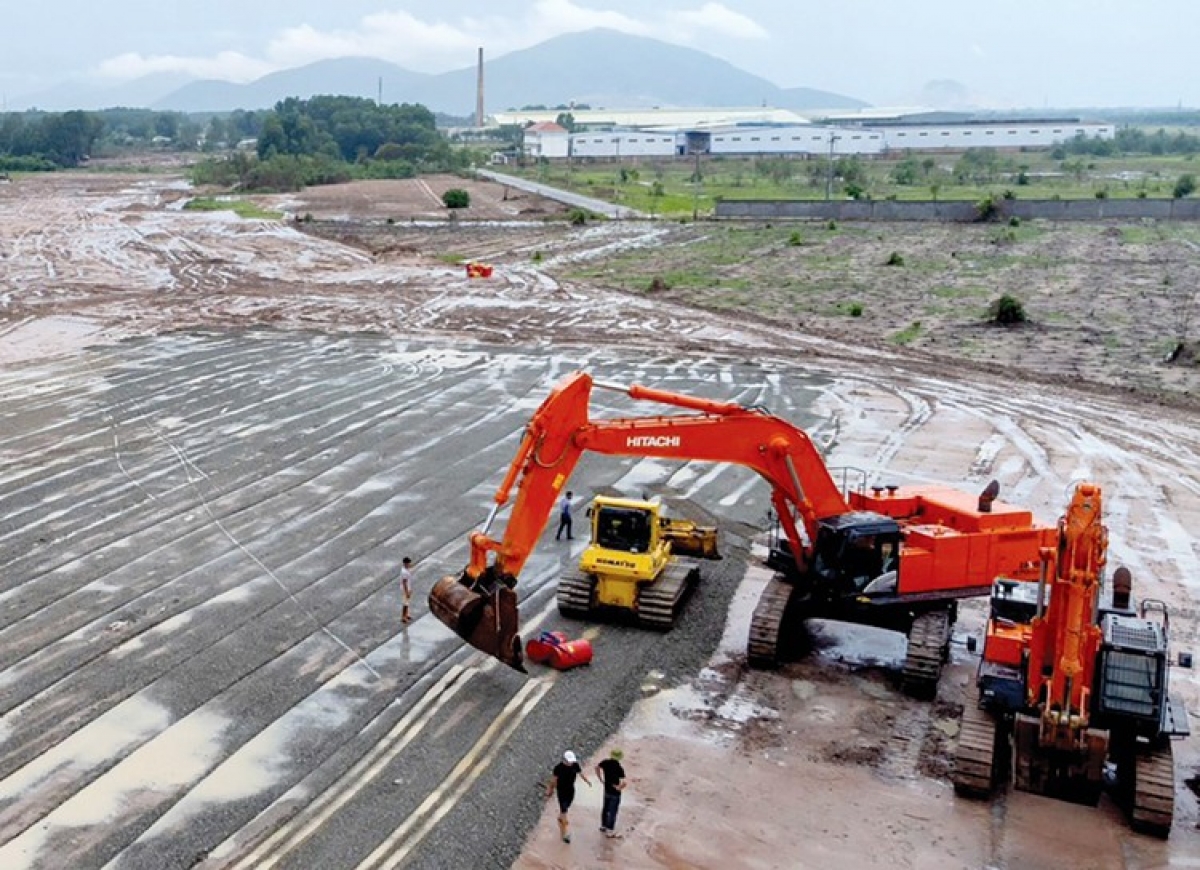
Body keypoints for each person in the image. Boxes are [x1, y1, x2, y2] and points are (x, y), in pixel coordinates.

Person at [546, 749, 590, 843]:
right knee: (564, 809)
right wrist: (550, 789)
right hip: (561, 791)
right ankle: (565, 834)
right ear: (564, 760)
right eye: (569, 762)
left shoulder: (575, 765)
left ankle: (561, 817)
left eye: (571, 762)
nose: (570, 763)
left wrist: (587, 781)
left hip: (571, 790)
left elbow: (581, 773)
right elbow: (553, 780)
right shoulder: (558, 768)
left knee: (567, 806)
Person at [596, 748, 626, 837]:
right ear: (619, 758)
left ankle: (603, 826)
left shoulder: (605, 763)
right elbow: (624, 782)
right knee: (613, 811)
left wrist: (600, 779)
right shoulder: (619, 768)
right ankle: (610, 829)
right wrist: (619, 787)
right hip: (615, 793)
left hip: (607, 790)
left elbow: (597, 767)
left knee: (605, 808)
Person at [400, 557, 414, 624]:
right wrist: (407, 592)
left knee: (407, 602)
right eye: (408, 563)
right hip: (405, 589)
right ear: (405, 564)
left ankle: (406, 614)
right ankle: (403, 617)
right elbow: (404, 582)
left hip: (408, 587)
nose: (409, 564)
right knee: (405, 603)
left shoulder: (406, 569)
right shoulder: (404, 572)